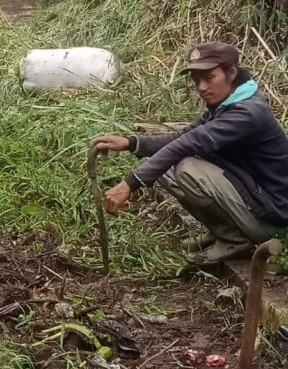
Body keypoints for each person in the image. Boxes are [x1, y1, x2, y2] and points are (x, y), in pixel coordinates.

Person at [92, 41, 288, 266]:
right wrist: (131, 143)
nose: (201, 87)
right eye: (196, 80)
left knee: (187, 168)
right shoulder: (227, 104)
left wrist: (129, 184)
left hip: (270, 218)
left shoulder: (246, 113)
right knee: (166, 168)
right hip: (254, 198)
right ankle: (221, 230)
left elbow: (187, 144)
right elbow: (181, 137)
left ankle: (234, 240)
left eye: (209, 77)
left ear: (231, 72)